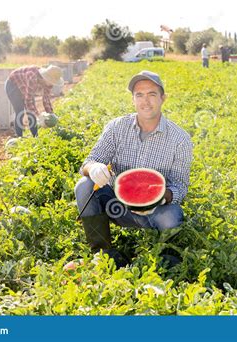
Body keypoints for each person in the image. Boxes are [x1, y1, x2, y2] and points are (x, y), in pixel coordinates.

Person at [74, 70, 193, 267]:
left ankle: (166, 258)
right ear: (133, 100)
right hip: (116, 206)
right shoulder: (116, 127)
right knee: (84, 186)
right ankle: (102, 253)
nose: (145, 101)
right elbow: (88, 162)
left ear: (163, 98)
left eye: (152, 94)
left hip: (155, 211)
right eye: (139, 95)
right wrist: (94, 168)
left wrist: (162, 197)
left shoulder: (180, 139)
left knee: (172, 216)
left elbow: (180, 185)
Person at [5, 65, 63, 137]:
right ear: (46, 77)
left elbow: (46, 99)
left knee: (30, 112)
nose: (52, 84)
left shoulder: (49, 84)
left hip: (25, 85)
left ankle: (35, 136)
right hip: (13, 84)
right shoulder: (33, 77)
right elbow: (28, 100)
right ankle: (19, 137)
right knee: (20, 111)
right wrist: (39, 116)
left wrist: (51, 114)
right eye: (51, 81)